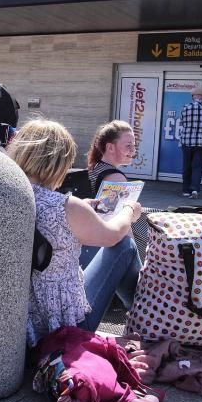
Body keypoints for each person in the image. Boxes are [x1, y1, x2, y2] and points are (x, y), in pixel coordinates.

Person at [6, 119, 141, 348]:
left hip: (22, 322)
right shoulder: (65, 206)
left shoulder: (9, 196)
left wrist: (84, 208)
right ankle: (146, 319)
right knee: (124, 247)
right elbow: (112, 235)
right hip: (64, 327)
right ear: (59, 162)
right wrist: (128, 209)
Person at [83, 120, 143, 323]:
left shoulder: (94, 168)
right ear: (110, 147)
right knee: (141, 296)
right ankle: (146, 318)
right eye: (128, 145)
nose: (133, 151)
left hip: (88, 246)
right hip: (108, 245)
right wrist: (132, 246)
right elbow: (119, 223)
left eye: (134, 146)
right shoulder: (115, 177)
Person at [178, 87, 202, 199]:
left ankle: (185, 190)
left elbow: (182, 122)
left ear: (193, 96)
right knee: (197, 167)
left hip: (187, 141)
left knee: (186, 166)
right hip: (201, 143)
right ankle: (195, 190)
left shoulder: (186, 107)